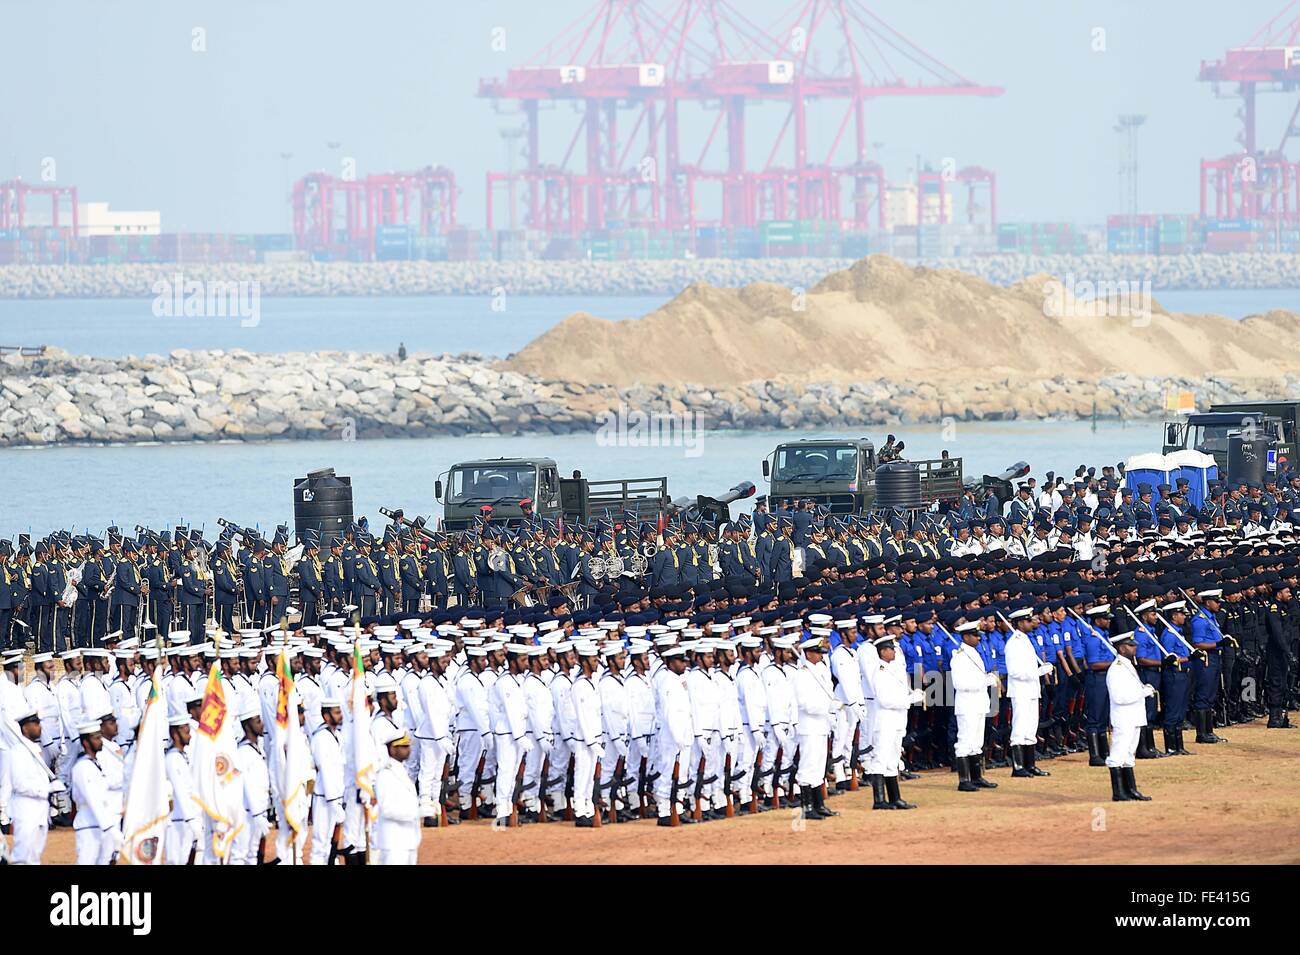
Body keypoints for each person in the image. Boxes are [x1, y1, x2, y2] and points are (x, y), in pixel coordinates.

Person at [866, 634, 921, 809]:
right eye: (891, 648)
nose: (894, 651)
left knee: (893, 758)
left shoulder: (892, 669)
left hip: (896, 720)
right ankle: (879, 800)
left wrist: (910, 695)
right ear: (883, 652)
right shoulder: (880, 671)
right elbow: (885, 700)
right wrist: (909, 700)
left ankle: (894, 797)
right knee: (881, 758)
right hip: (885, 720)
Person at [7, 705, 63, 864]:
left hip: (40, 809)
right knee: (22, 856)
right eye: (35, 723)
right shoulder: (18, 751)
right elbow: (20, 784)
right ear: (25, 727)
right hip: (26, 808)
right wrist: (47, 789)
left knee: (35, 857)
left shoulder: (34, 749)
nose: (40, 726)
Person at [791, 633, 838, 820]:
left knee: (819, 766)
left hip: (821, 725)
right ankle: (806, 806)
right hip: (809, 726)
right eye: (817, 653)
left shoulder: (820, 670)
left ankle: (819, 804)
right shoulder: (801, 674)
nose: (821, 656)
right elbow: (805, 704)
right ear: (808, 654)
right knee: (808, 766)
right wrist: (827, 707)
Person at [1105, 631, 1154, 802]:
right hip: (1123, 717)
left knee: (1128, 754)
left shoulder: (1127, 665)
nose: (1134, 648)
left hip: (1133, 716)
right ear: (1121, 647)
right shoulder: (1117, 668)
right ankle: (1118, 792)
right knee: (1118, 754)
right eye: (1131, 645)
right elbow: (1120, 697)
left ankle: (1130, 790)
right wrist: (1142, 693)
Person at [373, 722, 420, 864]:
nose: (409, 750)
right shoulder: (385, 774)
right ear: (393, 749)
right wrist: (416, 813)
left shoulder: (401, 771)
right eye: (404, 746)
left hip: (408, 840)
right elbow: (387, 809)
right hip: (394, 842)